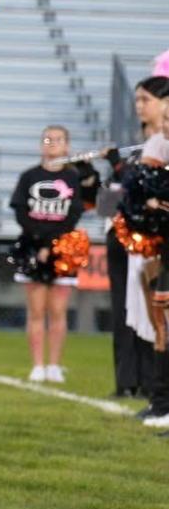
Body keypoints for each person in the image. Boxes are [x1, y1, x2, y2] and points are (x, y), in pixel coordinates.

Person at [9, 124, 97, 383]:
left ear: (67, 145)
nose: (52, 143)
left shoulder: (73, 178)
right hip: (32, 247)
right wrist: (39, 240)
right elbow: (20, 212)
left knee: (58, 310)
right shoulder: (29, 176)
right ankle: (37, 365)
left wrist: (52, 243)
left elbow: (75, 213)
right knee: (36, 310)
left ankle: (55, 365)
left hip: (63, 249)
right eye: (47, 139)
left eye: (58, 139)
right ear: (40, 144)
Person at [112, 78, 169, 414]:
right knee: (157, 315)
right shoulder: (156, 146)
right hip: (158, 245)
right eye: (163, 123)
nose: (164, 129)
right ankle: (159, 398)